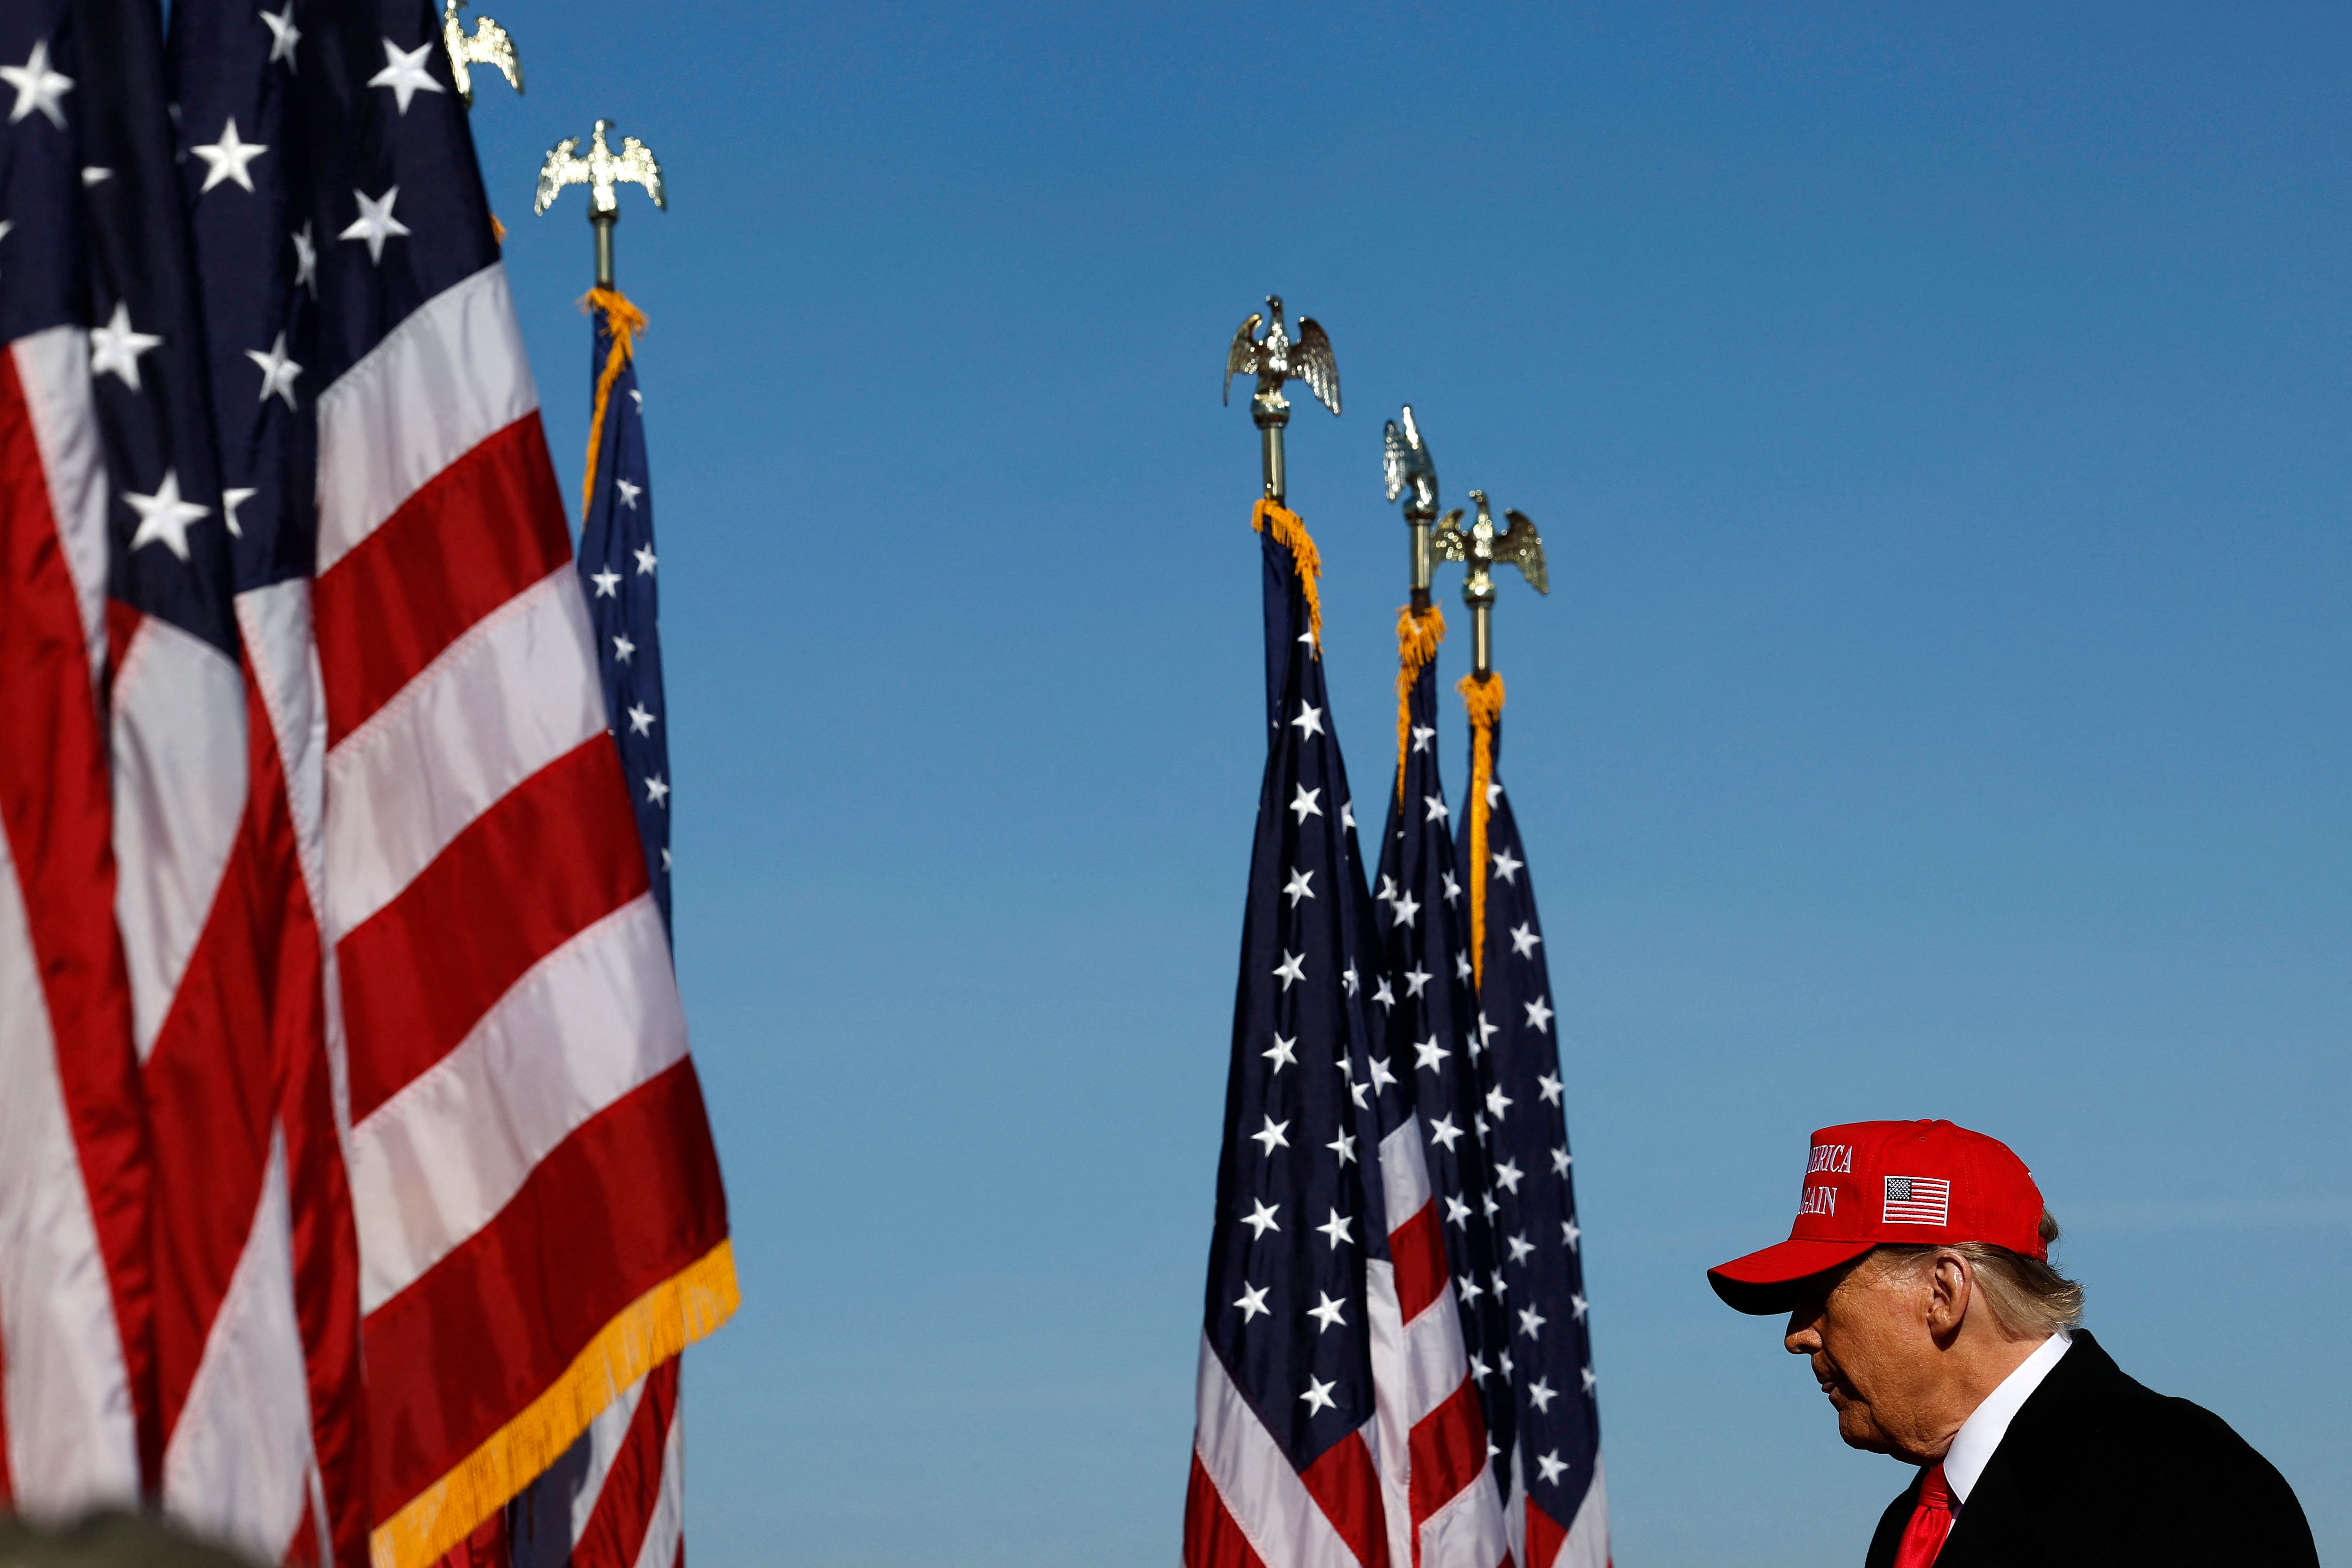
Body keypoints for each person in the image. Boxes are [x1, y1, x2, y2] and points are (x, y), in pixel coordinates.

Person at [1706, 1118, 2317, 1567]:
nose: (1797, 1333)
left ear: (1942, 1291)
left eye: (1822, 1292)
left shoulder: (2185, 1489)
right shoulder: (1910, 1525)